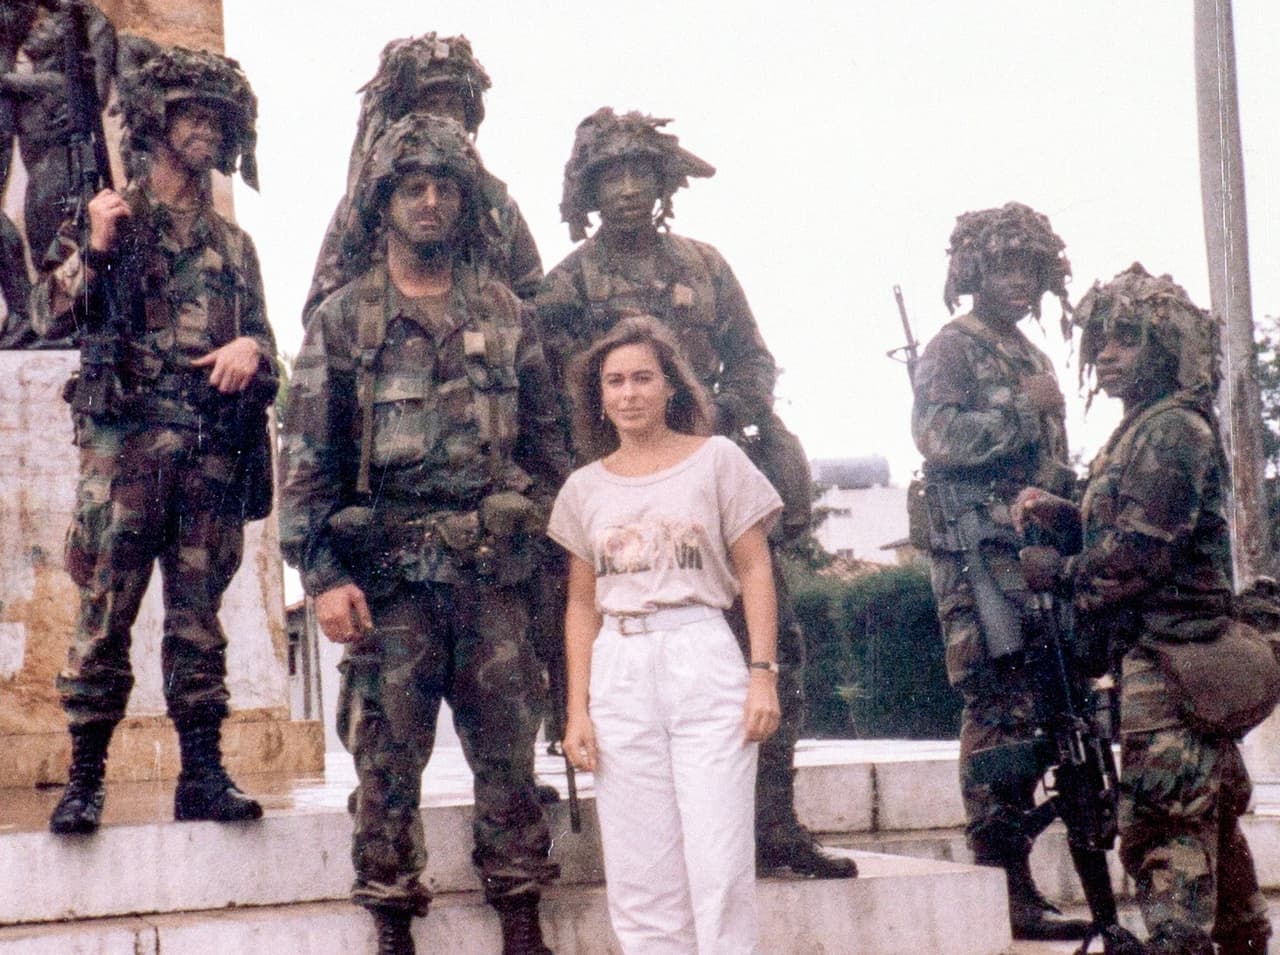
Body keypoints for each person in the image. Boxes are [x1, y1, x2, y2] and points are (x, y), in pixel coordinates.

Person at [536, 107, 853, 879]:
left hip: (710, 479)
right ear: (589, 187)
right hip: (616, 499)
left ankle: (773, 826)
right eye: (610, 175)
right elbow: (547, 396)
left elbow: (753, 359)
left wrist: (716, 425)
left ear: (663, 182)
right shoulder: (567, 283)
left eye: (642, 173)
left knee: (773, 643)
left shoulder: (704, 265)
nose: (628, 189)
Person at [279, 113, 565, 955]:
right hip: (389, 583)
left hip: (492, 578)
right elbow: (304, 465)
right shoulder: (343, 321)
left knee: (511, 757)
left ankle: (521, 920)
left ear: (468, 202)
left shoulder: (509, 314)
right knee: (386, 761)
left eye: (445, 186)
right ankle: (392, 924)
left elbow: (552, 454)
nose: (431, 200)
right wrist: (324, 576)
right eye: (413, 187)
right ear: (384, 204)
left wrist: (532, 528)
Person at [30, 44, 275, 835]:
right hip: (125, 454)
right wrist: (94, 249)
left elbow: (266, 344)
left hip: (206, 456)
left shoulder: (235, 249)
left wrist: (253, 352)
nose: (205, 130)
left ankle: (202, 773)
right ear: (156, 123)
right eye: (190, 116)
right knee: (104, 615)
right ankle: (85, 778)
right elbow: (42, 315)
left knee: (199, 621)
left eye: (216, 119)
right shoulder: (109, 216)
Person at [1016, 263, 1272, 955]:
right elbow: (1133, 532)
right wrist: (1070, 514)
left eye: (1126, 339)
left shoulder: (1169, 431)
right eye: (1099, 339)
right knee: (1206, 826)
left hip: (1172, 665)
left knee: (1165, 834)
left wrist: (1061, 570)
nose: (1106, 353)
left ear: (1165, 346)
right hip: (1168, 662)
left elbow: (1140, 555)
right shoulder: (1143, 428)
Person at [551, 315, 782, 953]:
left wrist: (762, 674)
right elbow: (580, 605)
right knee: (640, 872)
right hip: (619, 670)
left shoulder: (718, 461)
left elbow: (755, 567)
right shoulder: (582, 489)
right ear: (600, 396)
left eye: (643, 378)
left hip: (703, 655)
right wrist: (578, 711)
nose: (629, 394)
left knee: (719, 860)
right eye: (615, 382)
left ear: (671, 386)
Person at [910, 201, 1090, 940]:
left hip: (1036, 555)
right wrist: (1022, 408)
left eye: (1032, 270)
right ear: (975, 271)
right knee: (997, 707)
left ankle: (1020, 873)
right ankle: (1002, 881)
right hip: (977, 558)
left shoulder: (1032, 353)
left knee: (1050, 706)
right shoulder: (955, 346)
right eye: (1006, 267)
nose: (1020, 282)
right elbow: (935, 434)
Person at [303, 31, 542, 323]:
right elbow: (322, 317)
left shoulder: (499, 209)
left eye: (452, 108)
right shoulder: (364, 207)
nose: (442, 120)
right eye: (430, 106)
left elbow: (534, 307)